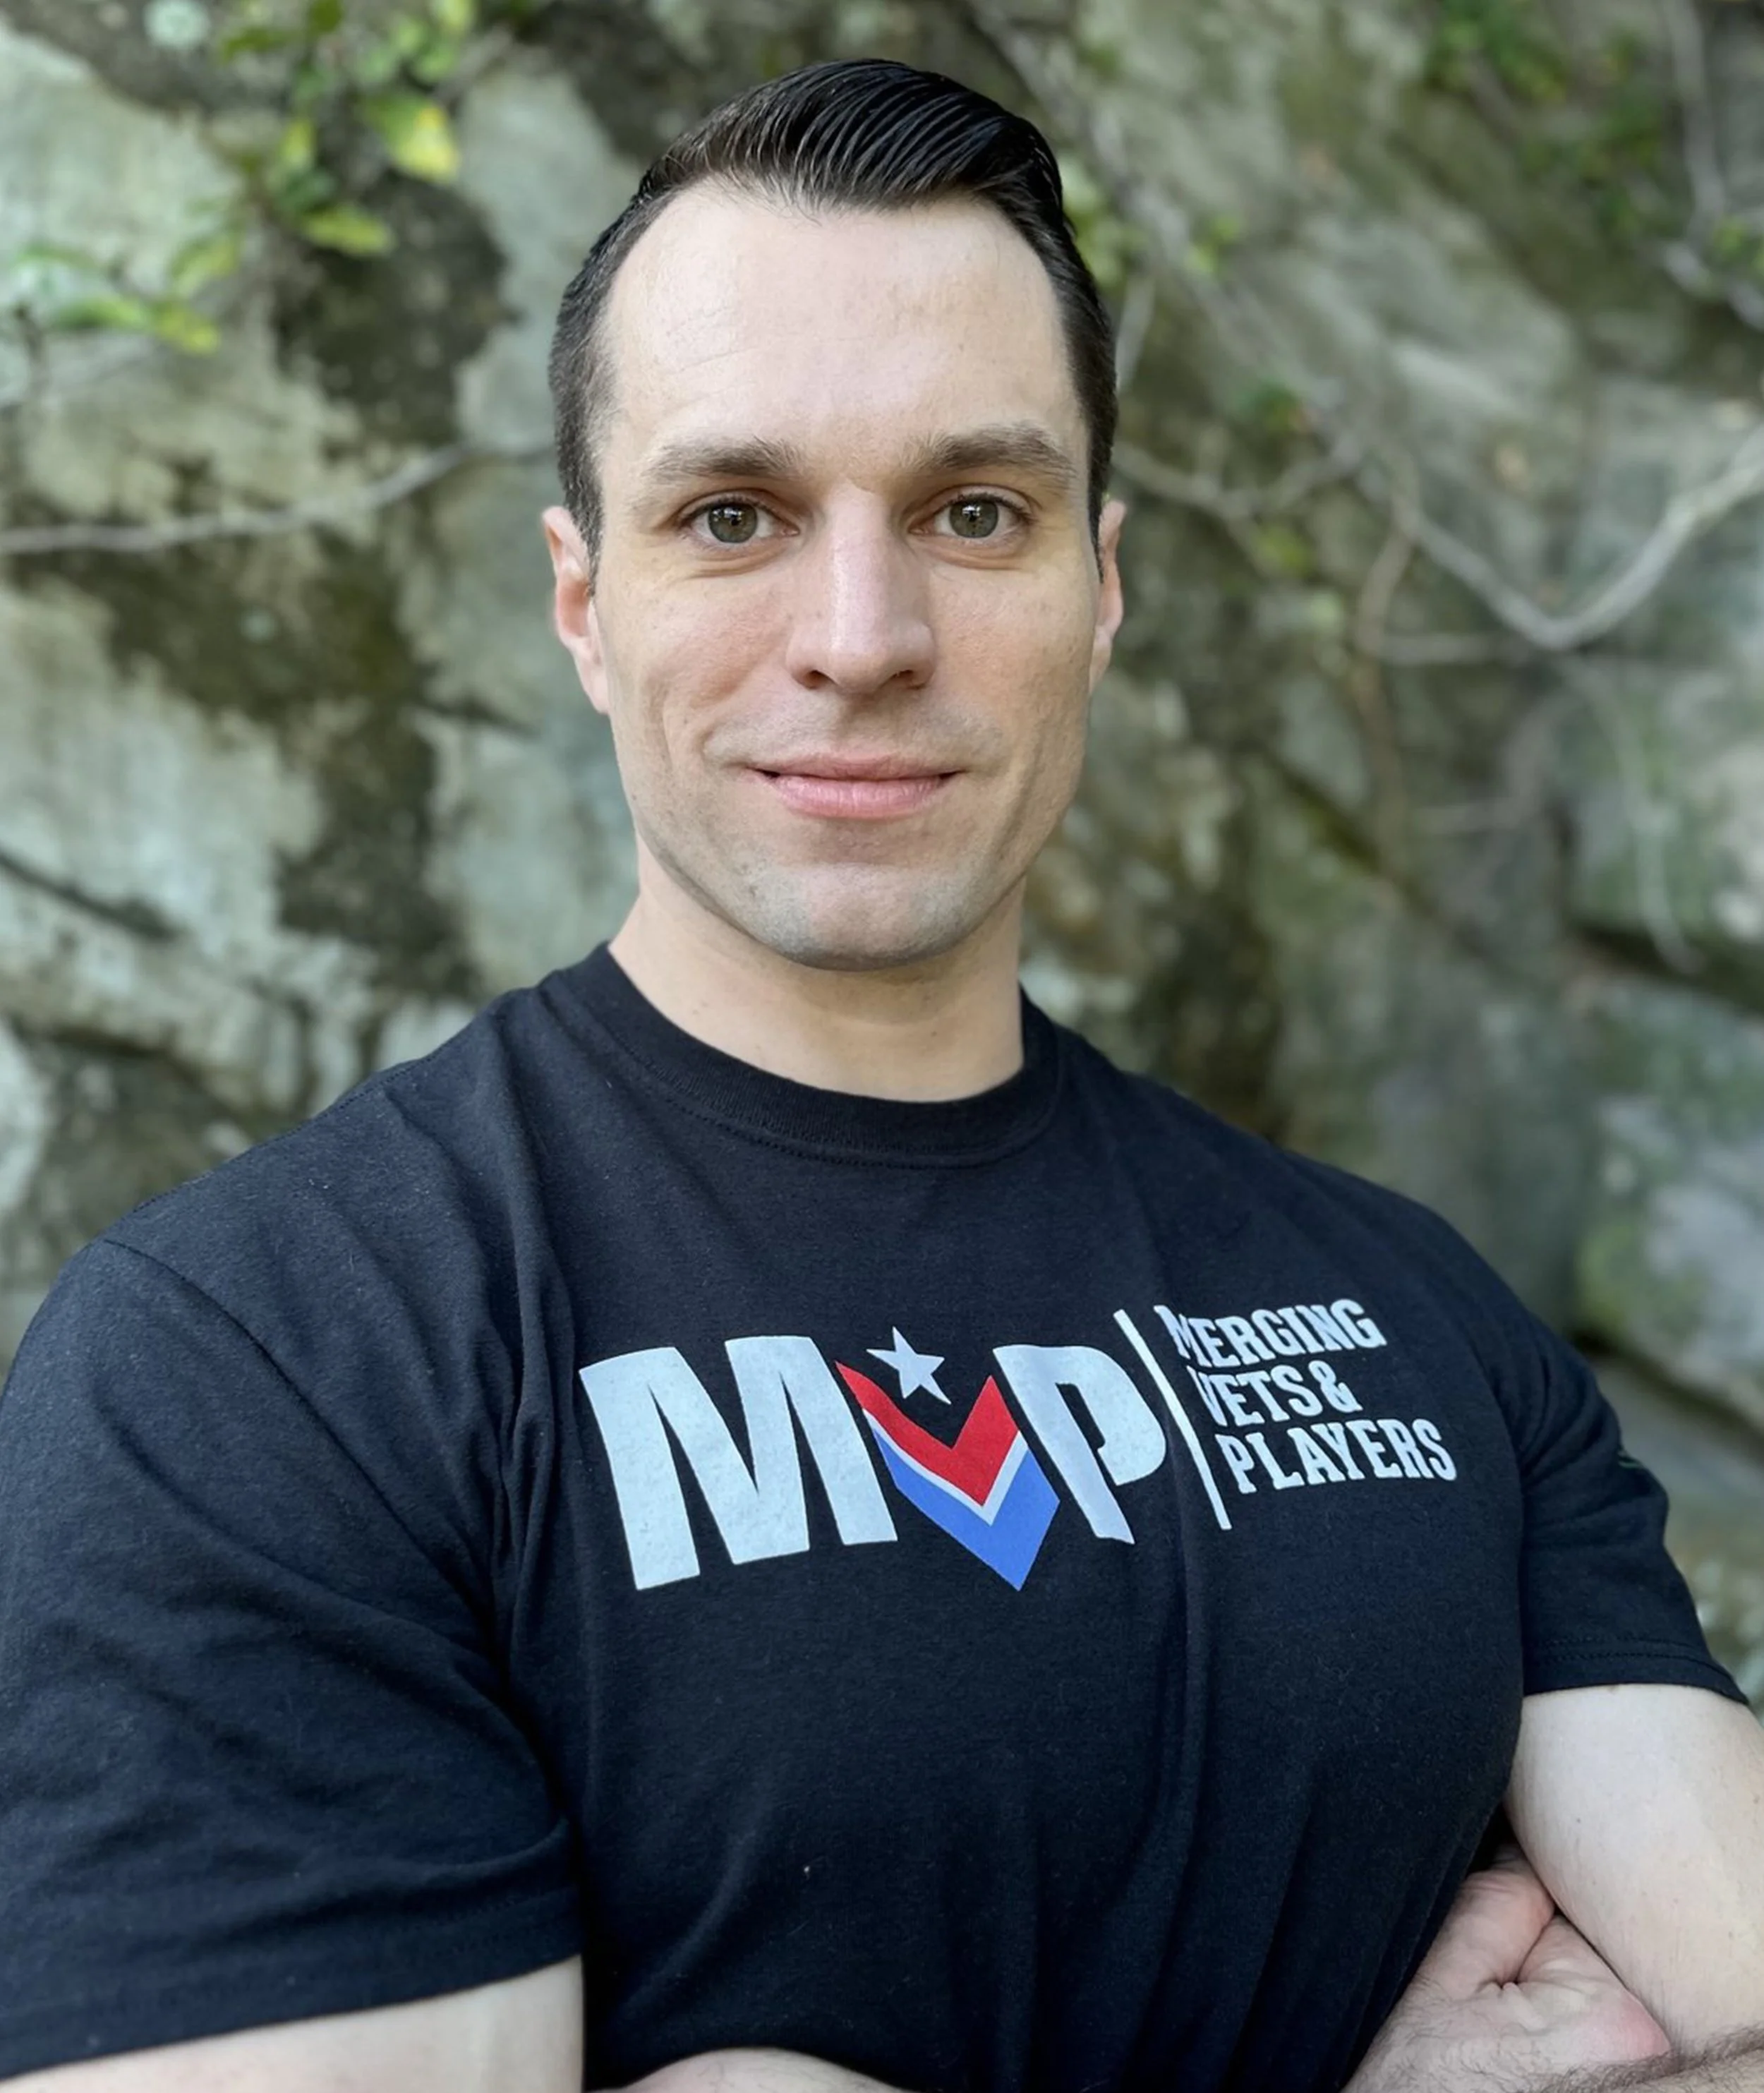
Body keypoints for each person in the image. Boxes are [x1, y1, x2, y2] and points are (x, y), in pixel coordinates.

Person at [0, 55, 1759, 2093]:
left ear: (1096, 588)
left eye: (973, 509)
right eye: (733, 513)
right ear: (587, 599)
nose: (861, 632)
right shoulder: (261, 1362)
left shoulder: (1407, 1314)